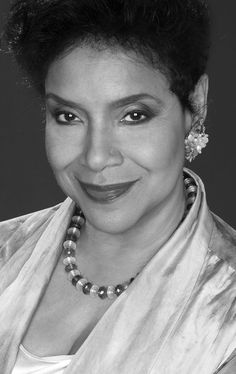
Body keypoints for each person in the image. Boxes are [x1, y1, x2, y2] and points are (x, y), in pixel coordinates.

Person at [0, 0, 236, 373]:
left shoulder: (225, 313)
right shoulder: (6, 250)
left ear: (196, 104)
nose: (95, 157)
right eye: (69, 116)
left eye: (133, 116)